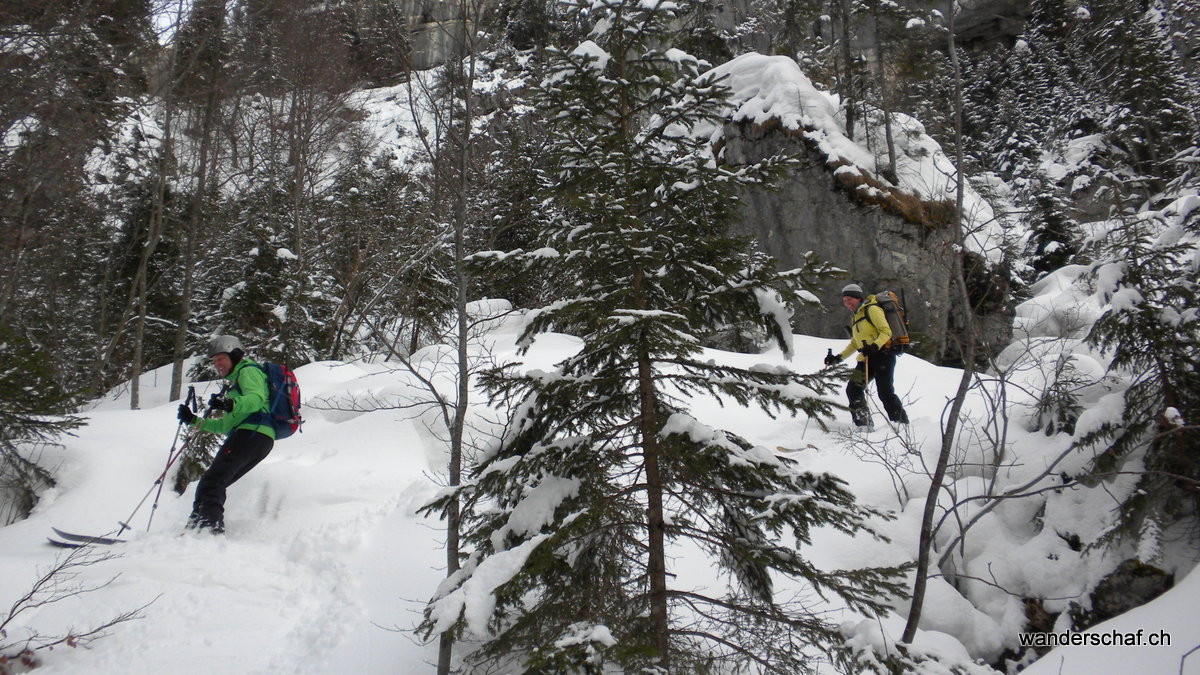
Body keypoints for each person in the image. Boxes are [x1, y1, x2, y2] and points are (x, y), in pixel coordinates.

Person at [176, 335, 275, 533]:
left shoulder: (248, 371)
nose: (217, 364)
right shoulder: (236, 382)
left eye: (220, 358)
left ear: (235, 355)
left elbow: (256, 399)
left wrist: (230, 403)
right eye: (214, 361)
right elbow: (223, 426)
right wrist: (193, 420)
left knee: (213, 481)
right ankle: (195, 529)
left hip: (252, 434)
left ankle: (209, 529)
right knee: (211, 481)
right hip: (256, 437)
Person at [824, 283, 909, 428]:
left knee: (885, 392)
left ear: (858, 298)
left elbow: (886, 331)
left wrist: (875, 346)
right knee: (853, 389)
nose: (847, 303)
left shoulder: (872, 309)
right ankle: (864, 425)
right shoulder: (856, 316)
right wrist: (837, 358)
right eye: (844, 301)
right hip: (866, 359)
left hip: (883, 356)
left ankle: (902, 425)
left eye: (850, 299)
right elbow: (855, 343)